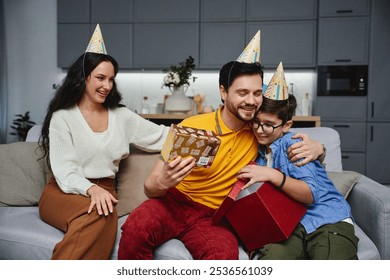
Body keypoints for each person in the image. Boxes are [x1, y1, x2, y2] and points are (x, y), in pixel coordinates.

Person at [118, 32, 325, 260]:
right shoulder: (192, 127)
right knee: (136, 228)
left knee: (224, 255)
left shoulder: (259, 131)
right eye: (242, 92)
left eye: (257, 93)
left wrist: (319, 148)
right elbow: (150, 188)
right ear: (223, 92)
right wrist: (163, 182)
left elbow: (289, 139)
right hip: (174, 203)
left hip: (215, 216)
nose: (251, 100)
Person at [38, 24, 169, 260]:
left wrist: (204, 129)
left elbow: (163, 136)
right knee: (100, 213)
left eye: (111, 79)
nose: (107, 85)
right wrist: (91, 189)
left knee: (102, 213)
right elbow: (65, 171)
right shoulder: (62, 118)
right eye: (100, 77)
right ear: (83, 77)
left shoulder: (123, 117)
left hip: (106, 191)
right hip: (62, 192)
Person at [238, 63, 359, 260]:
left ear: (286, 126)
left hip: (326, 219)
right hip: (290, 223)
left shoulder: (295, 145)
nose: (260, 130)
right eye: (256, 122)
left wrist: (274, 175)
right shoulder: (256, 147)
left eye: (268, 125)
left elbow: (310, 195)